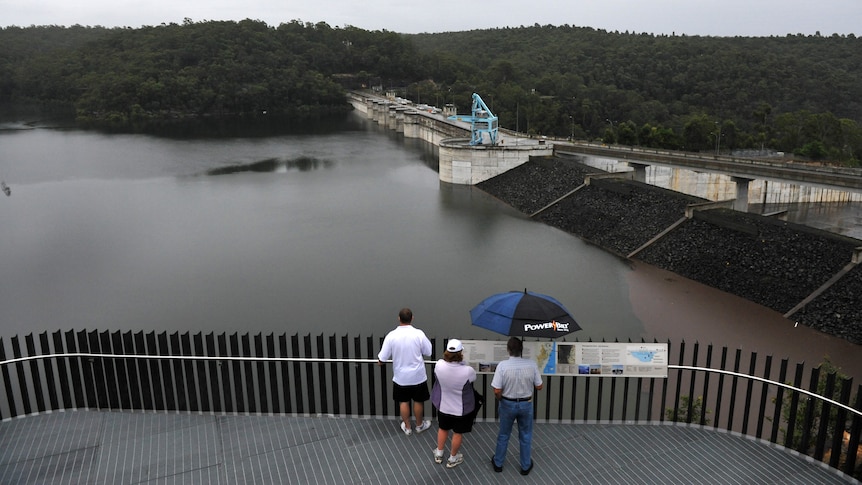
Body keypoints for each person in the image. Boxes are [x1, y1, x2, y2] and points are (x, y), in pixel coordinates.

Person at [490, 337, 543, 476]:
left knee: (503, 435)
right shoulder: (531, 364)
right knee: (525, 435)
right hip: (526, 404)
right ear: (521, 350)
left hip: (507, 403)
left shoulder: (502, 366)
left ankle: (498, 463)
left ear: (508, 350)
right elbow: (539, 386)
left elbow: (496, 389)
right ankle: (525, 466)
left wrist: (501, 399)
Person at [377, 307, 433, 436]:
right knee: (418, 401)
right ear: (412, 318)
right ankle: (419, 425)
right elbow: (428, 352)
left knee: (404, 402)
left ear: (399, 319)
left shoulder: (392, 335)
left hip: (401, 377)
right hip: (418, 376)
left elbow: (382, 357)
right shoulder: (419, 334)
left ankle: (407, 427)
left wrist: (380, 362)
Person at [431, 338, 477, 468]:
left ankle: (439, 453)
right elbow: (473, 378)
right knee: (457, 433)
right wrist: (463, 363)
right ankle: (452, 458)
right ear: (460, 353)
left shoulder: (439, 365)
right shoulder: (468, 371)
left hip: (443, 406)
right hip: (461, 409)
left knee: (443, 428)